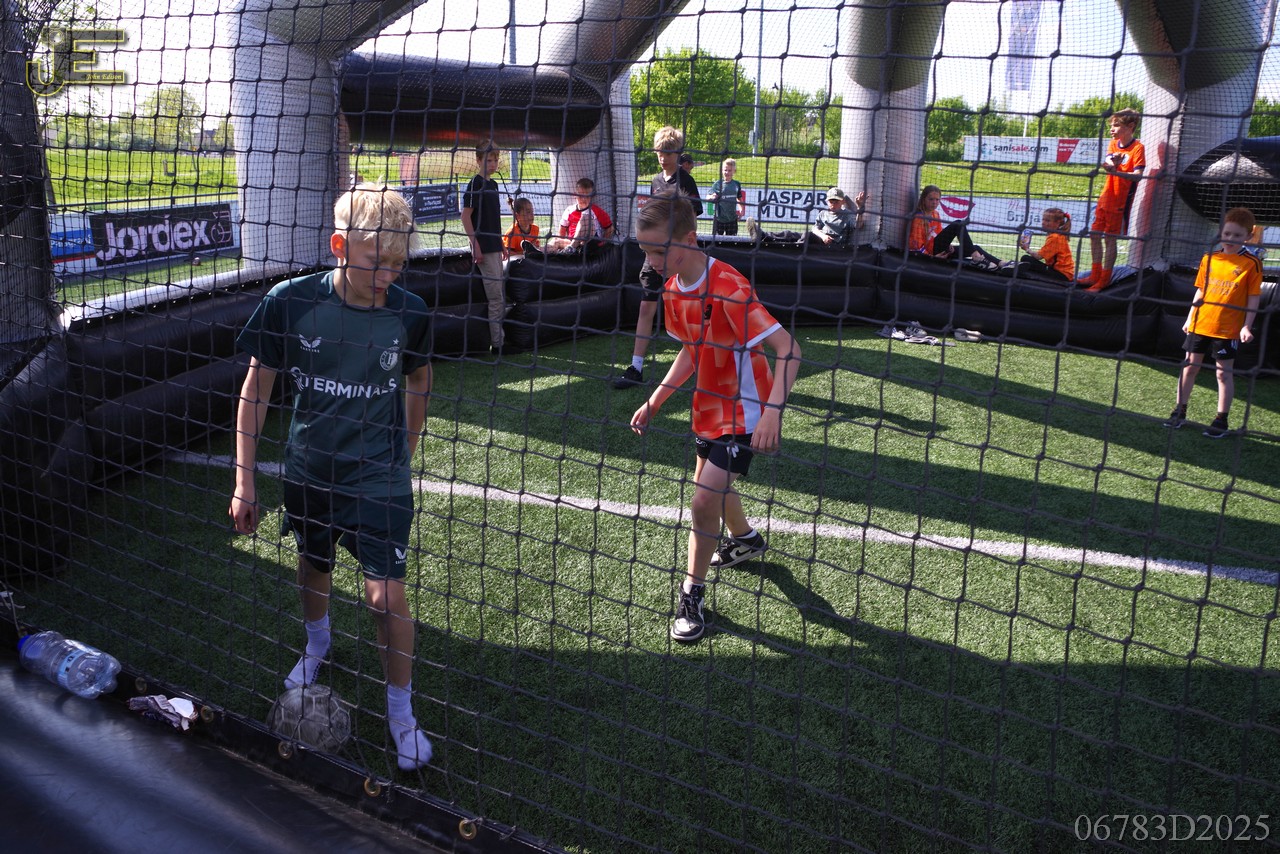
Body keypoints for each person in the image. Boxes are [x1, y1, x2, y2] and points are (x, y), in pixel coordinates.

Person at [228, 183, 435, 771]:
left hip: (379, 480)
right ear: (339, 246)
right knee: (313, 562)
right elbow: (256, 390)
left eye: (398, 263)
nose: (388, 275)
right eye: (377, 261)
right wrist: (245, 481)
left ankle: (401, 713)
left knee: (385, 595)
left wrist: (404, 452)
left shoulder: (409, 312)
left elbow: (420, 380)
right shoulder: (290, 302)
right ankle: (318, 642)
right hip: (310, 473)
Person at [628, 195, 802, 642]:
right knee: (711, 488)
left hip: (746, 411)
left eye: (658, 250)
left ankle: (692, 593)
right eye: (645, 251)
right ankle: (746, 540)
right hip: (708, 409)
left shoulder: (728, 287)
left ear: (689, 239)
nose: (651, 261)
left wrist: (772, 413)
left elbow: (788, 348)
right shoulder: (672, 290)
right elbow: (692, 350)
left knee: (703, 500)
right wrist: (656, 400)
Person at [612, 126, 702, 389]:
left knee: (691, 309)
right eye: (660, 152)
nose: (663, 157)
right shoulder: (655, 181)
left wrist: (685, 251)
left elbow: (693, 218)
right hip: (655, 255)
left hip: (679, 257)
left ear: (678, 153)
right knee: (646, 306)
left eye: (669, 153)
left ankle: (701, 361)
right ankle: (636, 367)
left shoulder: (685, 181)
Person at [1163, 207, 1263, 438]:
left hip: (1228, 329)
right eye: (1227, 233)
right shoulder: (1209, 258)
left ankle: (1221, 420)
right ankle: (1179, 411)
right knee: (1190, 366)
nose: (1230, 239)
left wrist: (1246, 325)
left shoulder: (1251, 263)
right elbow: (1201, 290)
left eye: (1237, 235)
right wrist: (1190, 317)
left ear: (1248, 236)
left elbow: (1253, 297)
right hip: (1201, 323)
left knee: (1223, 374)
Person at [1078, 109, 1145, 292]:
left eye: (1116, 125)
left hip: (1120, 201)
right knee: (1094, 235)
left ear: (1130, 126)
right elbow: (1109, 163)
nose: (1112, 129)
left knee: (1110, 239)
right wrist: (1110, 166)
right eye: (1111, 125)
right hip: (1106, 197)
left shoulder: (1138, 148)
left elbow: (1138, 176)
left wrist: (1118, 171)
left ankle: (1105, 279)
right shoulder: (1113, 144)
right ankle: (1095, 274)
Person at [461, 140, 507, 353]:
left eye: (495, 160)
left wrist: (501, 244)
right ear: (478, 160)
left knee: (499, 295)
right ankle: (498, 345)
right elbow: (465, 216)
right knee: (496, 298)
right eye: (489, 160)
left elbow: (493, 219)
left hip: (495, 247)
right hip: (484, 250)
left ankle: (500, 340)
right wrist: (475, 245)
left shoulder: (494, 185)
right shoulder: (475, 184)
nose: (493, 164)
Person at [908, 185, 1001, 269]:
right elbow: (915, 246)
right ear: (923, 199)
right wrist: (932, 257)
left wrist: (947, 245)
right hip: (930, 255)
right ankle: (977, 258)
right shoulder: (918, 219)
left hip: (939, 250)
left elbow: (939, 234)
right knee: (958, 224)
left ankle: (1000, 263)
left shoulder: (935, 214)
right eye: (931, 199)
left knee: (974, 248)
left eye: (937, 200)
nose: (934, 202)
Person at [746, 187, 867, 248]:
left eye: (836, 201)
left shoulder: (847, 215)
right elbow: (815, 228)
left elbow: (859, 225)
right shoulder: (823, 213)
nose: (833, 204)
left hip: (833, 245)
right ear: (827, 201)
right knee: (789, 234)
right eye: (831, 201)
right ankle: (763, 237)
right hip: (821, 238)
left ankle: (791, 249)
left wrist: (860, 208)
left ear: (842, 202)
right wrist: (823, 236)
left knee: (807, 236)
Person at [528, 177, 614, 256]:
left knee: (585, 218)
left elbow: (610, 228)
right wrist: (561, 242)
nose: (584, 199)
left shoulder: (596, 210)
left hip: (589, 242)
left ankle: (571, 249)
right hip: (572, 244)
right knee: (556, 241)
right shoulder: (569, 210)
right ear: (575, 195)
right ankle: (537, 252)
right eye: (581, 195)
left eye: (587, 196)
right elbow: (562, 229)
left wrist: (602, 243)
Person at [998, 208, 1074, 282]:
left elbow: (1038, 256)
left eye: (1047, 220)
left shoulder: (1055, 237)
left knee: (1026, 259)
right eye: (1043, 219)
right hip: (1064, 273)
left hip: (1062, 275)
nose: (1043, 222)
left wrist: (1027, 249)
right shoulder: (1058, 235)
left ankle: (1015, 270)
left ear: (1057, 223)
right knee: (1027, 260)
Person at [706, 158, 746, 238]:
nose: (727, 172)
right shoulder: (717, 184)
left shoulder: (736, 184)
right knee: (716, 241)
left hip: (732, 219)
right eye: (725, 170)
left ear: (734, 171)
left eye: (729, 170)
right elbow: (707, 197)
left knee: (732, 241)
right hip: (719, 219)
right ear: (722, 171)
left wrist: (741, 210)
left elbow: (739, 198)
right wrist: (712, 197)